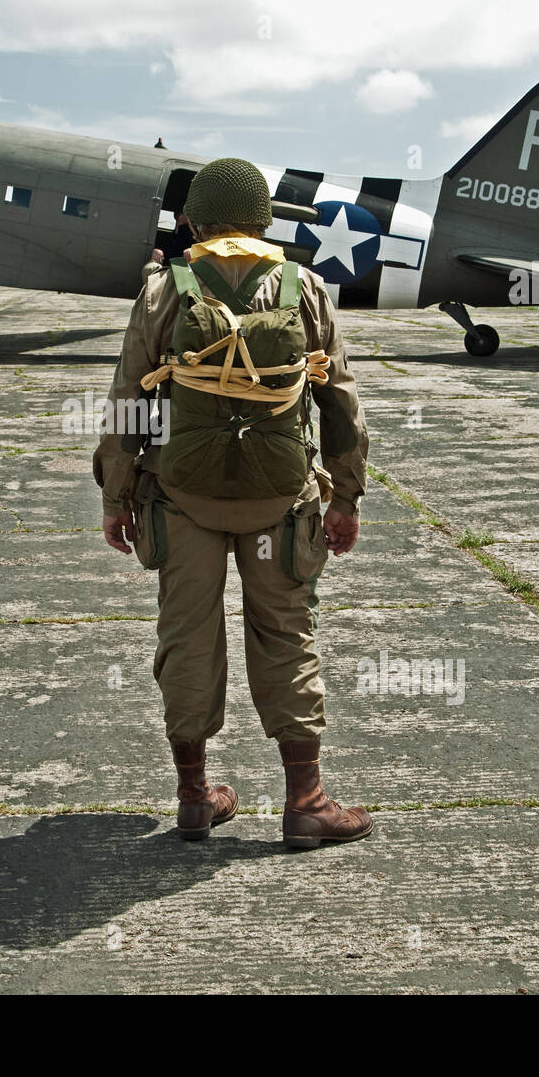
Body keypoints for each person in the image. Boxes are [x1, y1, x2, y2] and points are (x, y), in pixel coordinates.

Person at [93, 157, 372, 848]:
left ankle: (194, 797)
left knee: (186, 638)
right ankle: (306, 801)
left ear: (191, 220)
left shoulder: (164, 290)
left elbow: (128, 400)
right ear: (263, 219)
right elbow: (339, 400)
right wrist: (347, 496)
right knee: (287, 636)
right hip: (279, 501)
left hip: (182, 497)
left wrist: (116, 495)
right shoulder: (302, 285)